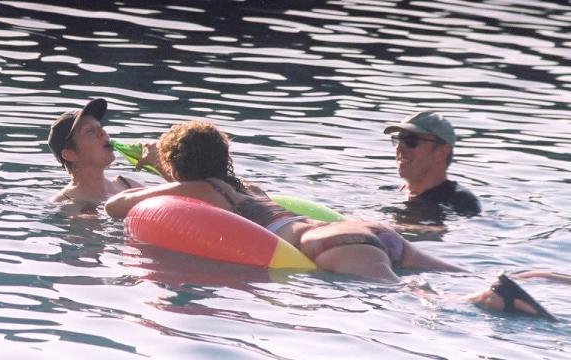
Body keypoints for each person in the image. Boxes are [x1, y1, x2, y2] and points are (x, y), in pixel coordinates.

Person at [105, 120, 560, 321]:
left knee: (428, 301)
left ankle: (492, 299)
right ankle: (548, 276)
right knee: (458, 275)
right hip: (365, 232)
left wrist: (154, 170)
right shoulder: (247, 188)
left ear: (178, 166)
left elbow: (119, 207)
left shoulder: (203, 190)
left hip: (330, 248)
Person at [383, 111, 481, 223]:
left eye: (411, 141)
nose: (399, 148)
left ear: (441, 152)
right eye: (399, 139)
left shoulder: (461, 203)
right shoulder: (388, 192)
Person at [48, 98, 142, 215]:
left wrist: (158, 164)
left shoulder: (126, 184)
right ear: (70, 154)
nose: (103, 133)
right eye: (90, 131)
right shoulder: (66, 202)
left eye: (100, 127)